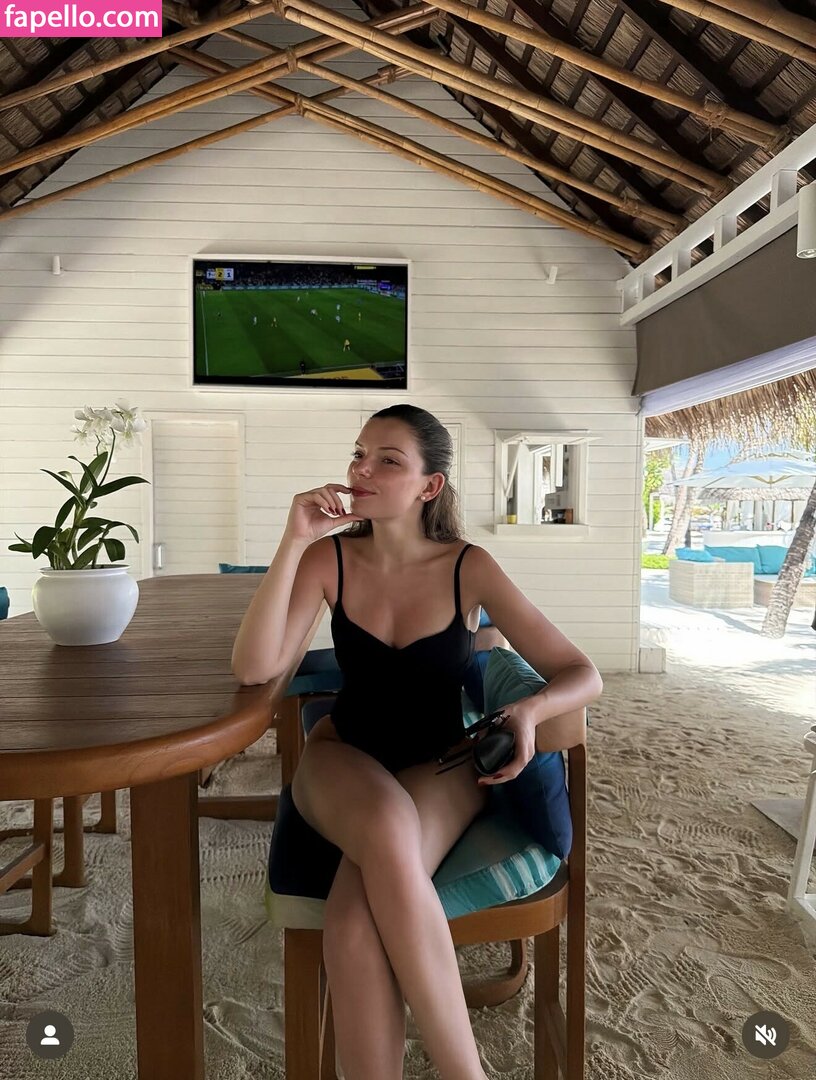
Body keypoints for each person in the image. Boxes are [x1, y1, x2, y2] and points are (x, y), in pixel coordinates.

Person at [231, 404, 602, 1080]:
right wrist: (292, 539)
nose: (361, 470)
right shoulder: (327, 559)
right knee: (382, 823)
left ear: (429, 486)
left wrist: (529, 711)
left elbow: (583, 673)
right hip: (343, 757)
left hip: (443, 765)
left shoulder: (468, 567)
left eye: (387, 460)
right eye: (358, 455)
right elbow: (255, 669)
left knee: (353, 923)